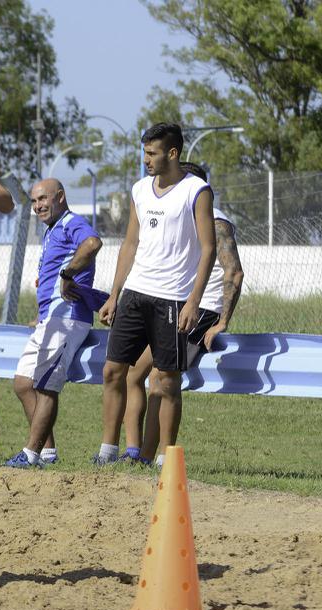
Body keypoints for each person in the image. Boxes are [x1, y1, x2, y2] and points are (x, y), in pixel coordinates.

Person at [93, 123, 216, 465]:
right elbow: (130, 243)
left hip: (173, 299)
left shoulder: (196, 190)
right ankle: (107, 451)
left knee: (167, 381)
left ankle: (165, 458)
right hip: (135, 294)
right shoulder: (140, 190)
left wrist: (193, 301)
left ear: (172, 153)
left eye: (152, 153)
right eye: (144, 152)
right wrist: (114, 294)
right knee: (112, 371)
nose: (145, 159)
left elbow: (209, 249)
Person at [122, 162, 244, 466]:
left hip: (202, 309)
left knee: (161, 378)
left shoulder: (216, 221)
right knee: (135, 373)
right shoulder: (178, 218)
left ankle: (160, 456)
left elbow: (234, 272)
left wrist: (222, 322)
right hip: (173, 305)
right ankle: (136, 453)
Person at [4, 178, 102, 469]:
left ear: (60, 196)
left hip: (67, 317)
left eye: (43, 199)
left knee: (46, 385)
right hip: (50, 318)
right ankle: (47, 453)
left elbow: (92, 243)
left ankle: (31, 454)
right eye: (34, 201)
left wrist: (68, 274)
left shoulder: (71, 222)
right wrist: (42, 312)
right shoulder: (52, 230)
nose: (37, 206)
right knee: (23, 383)